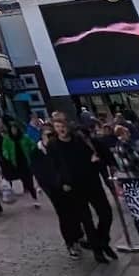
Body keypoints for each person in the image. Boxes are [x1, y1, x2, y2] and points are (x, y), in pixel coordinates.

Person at [48, 112, 116, 263]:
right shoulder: (53, 145)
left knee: (106, 213)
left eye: (62, 126)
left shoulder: (79, 140)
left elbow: (97, 153)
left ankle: (102, 241)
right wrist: (61, 182)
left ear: (68, 126)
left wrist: (96, 160)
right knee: (86, 220)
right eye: (57, 127)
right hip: (74, 187)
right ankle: (98, 251)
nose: (60, 129)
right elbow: (54, 166)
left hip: (91, 182)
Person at [0, 118, 39, 205]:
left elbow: (32, 144)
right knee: (21, 178)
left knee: (29, 180)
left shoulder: (25, 137)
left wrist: (31, 151)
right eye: (12, 129)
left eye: (15, 129)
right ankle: (26, 189)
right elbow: (4, 149)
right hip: (15, 162)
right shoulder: (7, 139)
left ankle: (34, 197)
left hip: (25, 161)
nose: (14, 131)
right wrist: (7, 155)